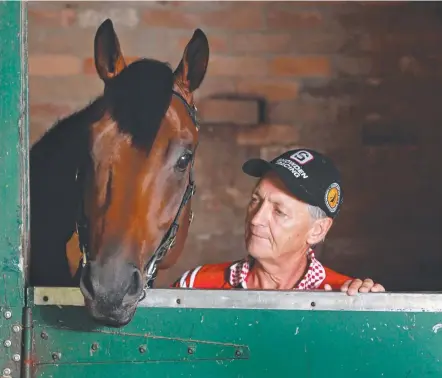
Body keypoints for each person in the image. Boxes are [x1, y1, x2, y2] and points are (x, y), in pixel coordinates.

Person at [172, 148, 385, 296]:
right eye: (255, 200)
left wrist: (372, 318)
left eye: (279, 211)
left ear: (317, 230)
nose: (256, 219)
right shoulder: (195, 285)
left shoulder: (345, 297)